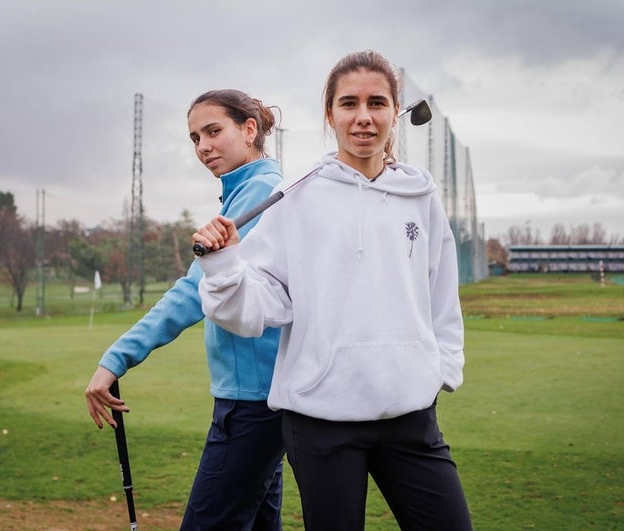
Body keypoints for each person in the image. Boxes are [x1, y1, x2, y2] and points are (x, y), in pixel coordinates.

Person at [192, 50, 473, 530]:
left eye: (377, 103)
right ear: (331, 114)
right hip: (321, 422)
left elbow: (442, 297)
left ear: (394, 113)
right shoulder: (296, 200)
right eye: (349, 104)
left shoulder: (421, 199)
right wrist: (222, 265)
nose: (363, 117)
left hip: (409, 416)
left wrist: (438, 369)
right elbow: (257, 307)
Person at [85, 89, 286, 531]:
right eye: (195, 137)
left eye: (214, 131)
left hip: (251, 403)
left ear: (249, 129)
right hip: (263, 400)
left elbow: (193, 292)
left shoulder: (259, 192)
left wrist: (116, 357)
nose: (203, 147)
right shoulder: (250, 190)